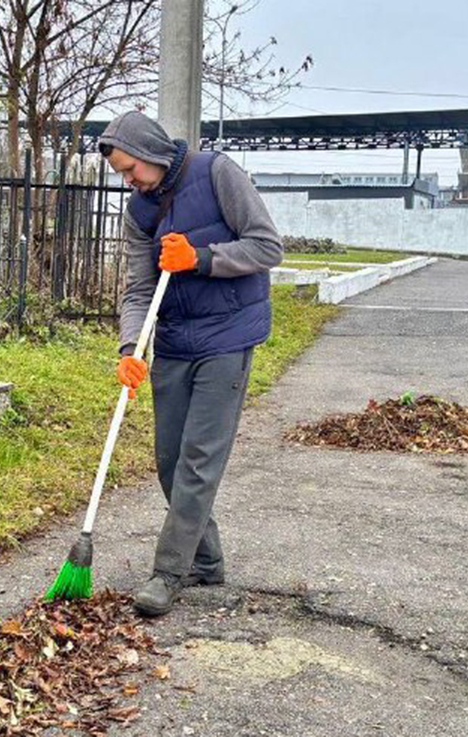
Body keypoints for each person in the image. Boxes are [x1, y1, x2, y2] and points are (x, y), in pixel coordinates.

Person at [96, 111, 283, 617]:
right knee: (170, 459)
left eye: (132, 169)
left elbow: (268, 246)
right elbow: (137, 289)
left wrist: (200, 258)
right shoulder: (139, 212)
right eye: (122, 174)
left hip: (228, 336)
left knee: (199, 459)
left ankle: (168, 572)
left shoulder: (217, 173)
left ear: (154, 153)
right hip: (176, 340)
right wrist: (131, 348)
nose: (129, 180)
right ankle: (205, 560)